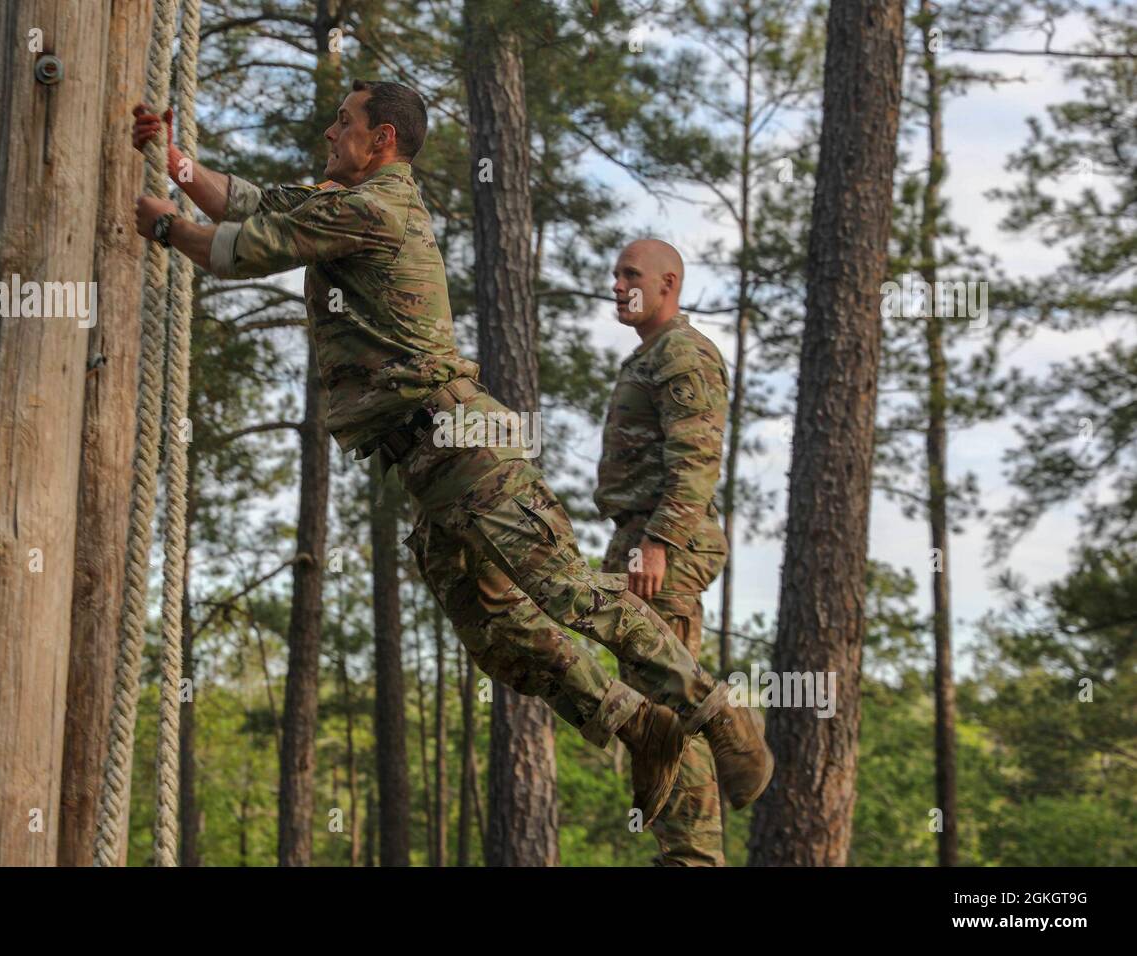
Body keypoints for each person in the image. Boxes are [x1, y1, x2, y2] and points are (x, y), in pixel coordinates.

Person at [130, 79, 772, 826]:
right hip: (429, 468)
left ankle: (716, 714)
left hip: (464, 447)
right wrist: (171, 160)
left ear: (384, 142)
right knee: (494, 632)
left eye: (345, 124)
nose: (331, 135)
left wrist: (161, 228)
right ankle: (637, 724)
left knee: (565, 591)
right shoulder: (344, 203)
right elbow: (246, 201)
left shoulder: (374, 209)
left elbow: (235, 248)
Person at [597, 238, 732, 864]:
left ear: (668, 284)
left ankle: (693, 857)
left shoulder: (682, 352)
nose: (619, 284)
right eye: (617, 273)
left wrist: (657, 544)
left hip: (665, 547)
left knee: (671, 709)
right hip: (640, 540)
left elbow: (698, 459)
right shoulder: (649, 356)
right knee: (654, 710)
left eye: (632, 275)